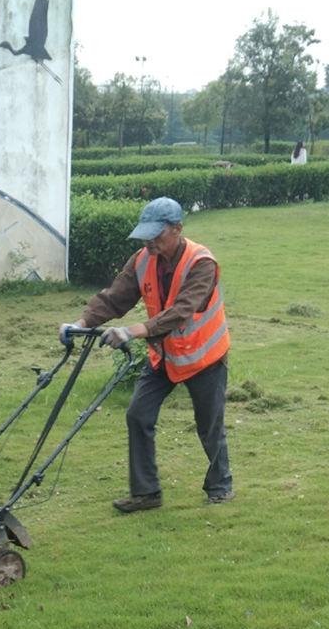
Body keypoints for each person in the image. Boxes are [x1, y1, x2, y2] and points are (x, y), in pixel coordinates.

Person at [58, 196, 233, 513]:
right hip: (164, 357)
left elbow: (182, 311)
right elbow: (114, 298)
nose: (150, 242)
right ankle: (146, 493)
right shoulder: (142, 260)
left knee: (209, 425)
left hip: (204, 359)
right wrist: (81, 323)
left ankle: (220, 487)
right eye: (147, 235)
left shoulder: (201, 263)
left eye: (157, 235)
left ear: (177, 229)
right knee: (138, 414)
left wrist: (133, 331)